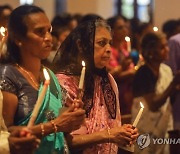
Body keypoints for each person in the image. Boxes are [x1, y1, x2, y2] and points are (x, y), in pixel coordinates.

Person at [0, 5, 85, 154]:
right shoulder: (8, 75)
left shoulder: (49, 74)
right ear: (18, 39)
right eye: (40, 32)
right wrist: (55, 125)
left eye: (49, 30)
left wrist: (72, 114)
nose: (48, 38)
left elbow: (58, 118)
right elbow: (6, 133)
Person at [53, 19, 138, 154]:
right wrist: (110, 135)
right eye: (101, 43)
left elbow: (108, 125)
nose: (109, 49)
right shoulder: (64, 83)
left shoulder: (108, 80)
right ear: (81, 45)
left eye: (110, 43)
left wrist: (124, 132)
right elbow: (63, 141)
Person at [132, 32, 180, 154]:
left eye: (166, 46)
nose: (167, 49)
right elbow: (153, 105)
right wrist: (173, 84)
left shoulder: (166, 70)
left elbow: (169, 99)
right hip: (146, 128)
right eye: (162, 47)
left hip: (164, 127)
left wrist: (175, 88)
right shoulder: (143, 73)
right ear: (151, 52)